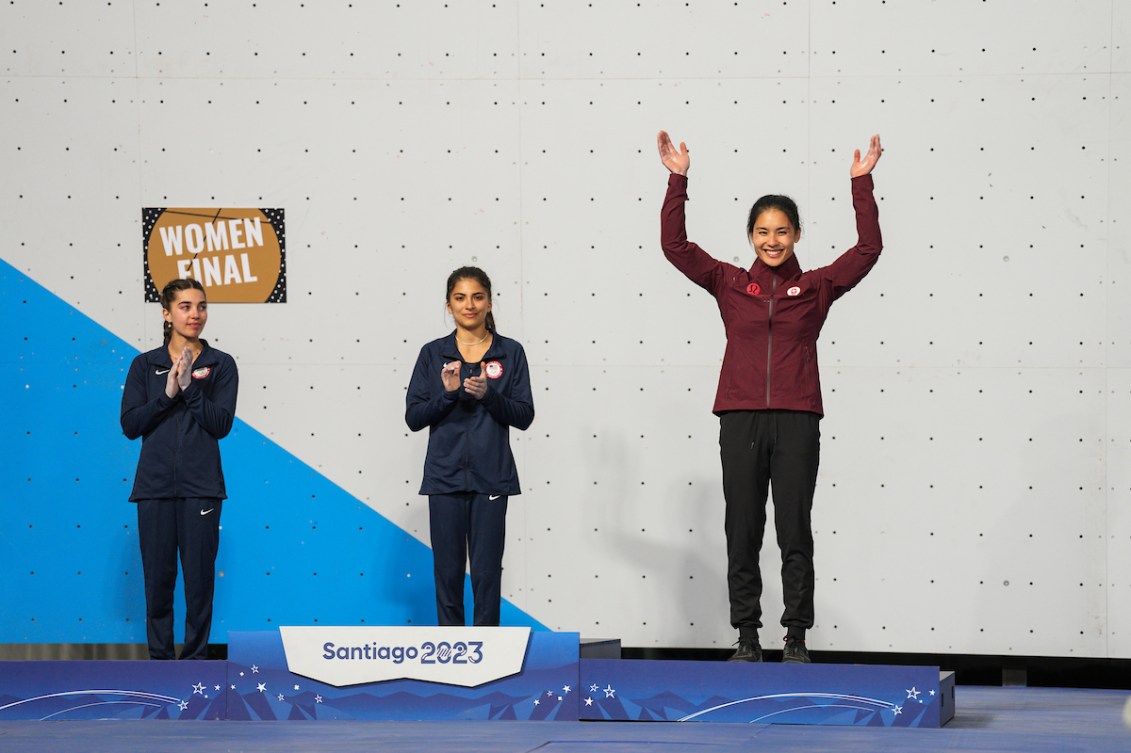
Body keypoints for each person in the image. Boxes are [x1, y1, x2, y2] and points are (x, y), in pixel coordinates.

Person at [657, 130, 884, 663]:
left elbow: (869, 249)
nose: (772, 240)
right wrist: (678, 178)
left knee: (793, 529)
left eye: (782, 231)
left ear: (798, 235)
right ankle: (747, 637)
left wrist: (861, 183)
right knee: (742, 528)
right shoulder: (729, 282)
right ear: (751, 236)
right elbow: (675, 247)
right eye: (763, 232)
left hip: (798, 417)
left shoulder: (821, 286)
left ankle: (797, 637)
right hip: (739, 418)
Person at [405, 266, 535, 626]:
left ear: (489, 302)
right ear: (449, 305)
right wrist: (447, 397)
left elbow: (524, 415)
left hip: (492, 479)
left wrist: (489, 396)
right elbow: (414, 417)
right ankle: (451, 654)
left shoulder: (510, 353)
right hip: (444, 479)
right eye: (460, 298)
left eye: (477, 297)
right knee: (447, 574)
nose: (469, 305)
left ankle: (488, 656)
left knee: (486, 574)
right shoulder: (433, 354)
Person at [121, 278, 238, 659]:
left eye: (201, 306)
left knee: (199, 583)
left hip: (201, 488)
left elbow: (220, 424)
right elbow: (130, 425)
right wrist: (168, 393)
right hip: (153, 489)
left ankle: (194, 665)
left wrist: (189, 388)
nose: (195, 314)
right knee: (158, 583)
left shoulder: (220, 364)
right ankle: (160, 666)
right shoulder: (145, 364)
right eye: (186, 306)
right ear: (167, 314)